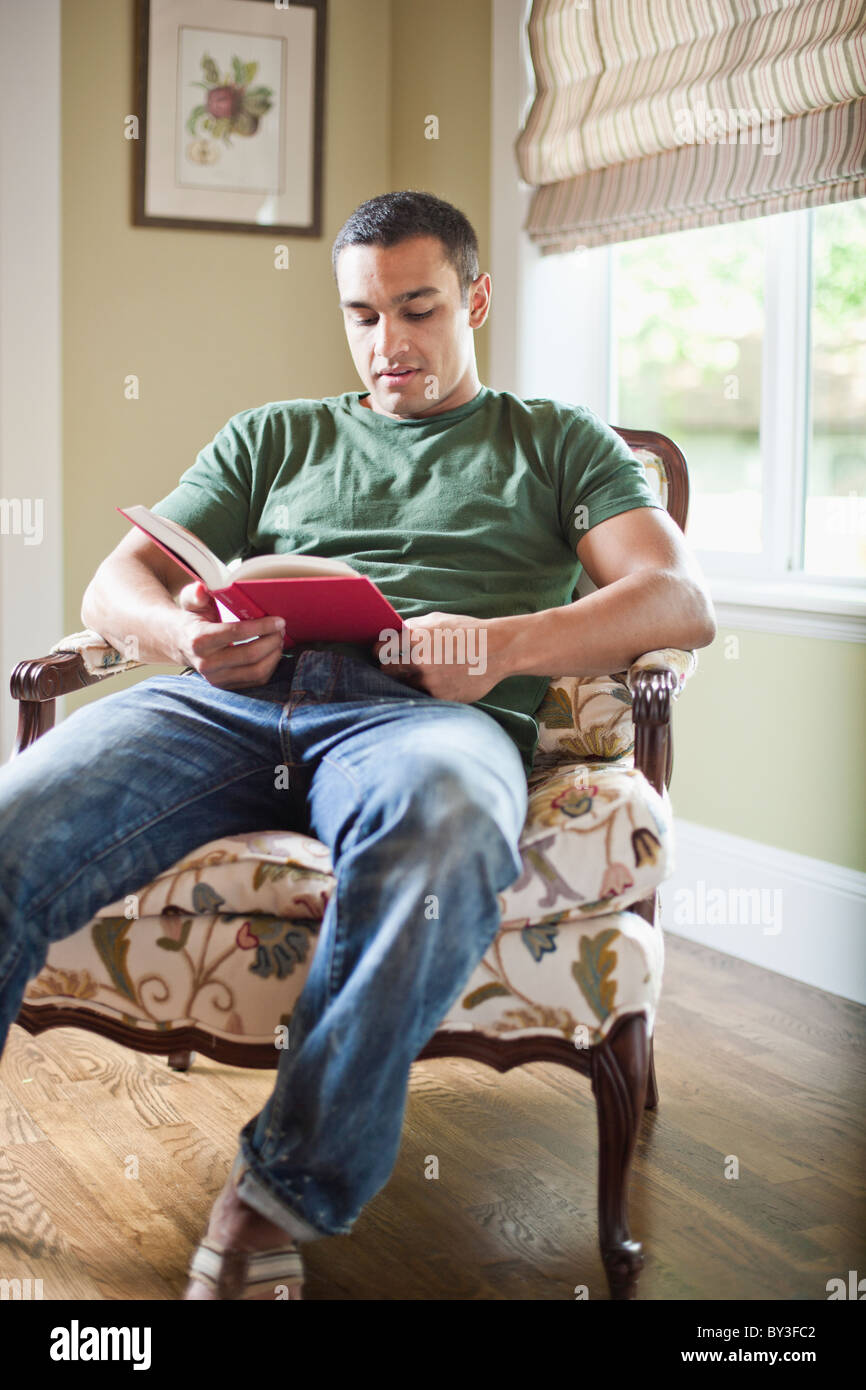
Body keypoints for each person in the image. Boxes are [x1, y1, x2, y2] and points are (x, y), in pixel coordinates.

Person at [0, 190, 716, 1300]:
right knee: (11, 823)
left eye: (417, 309)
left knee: (446, 833)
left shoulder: (553, 441)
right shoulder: (275, 434)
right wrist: (186, 639)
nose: (389, 345)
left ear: (474, 298)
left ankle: (273, 1197)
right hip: (227, 703)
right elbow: (114, 582)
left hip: (426, 720)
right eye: (363, 316)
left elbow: (674, 599)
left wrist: (499, 647)